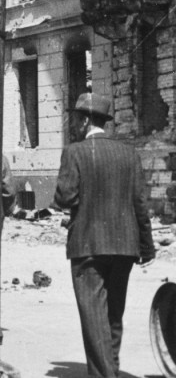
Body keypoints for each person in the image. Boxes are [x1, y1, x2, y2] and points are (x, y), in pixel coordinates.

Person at [55, 92, 155, 378]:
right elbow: (140, 203)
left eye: (75, 119)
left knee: (94, 317)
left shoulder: (74, 152)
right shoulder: (129, 153)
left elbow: (65, 197)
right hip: (125, 246)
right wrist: (146, 247)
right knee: (113, 314)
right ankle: (110, 369)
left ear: (86, 120)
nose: (73, 125)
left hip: (87, 246)